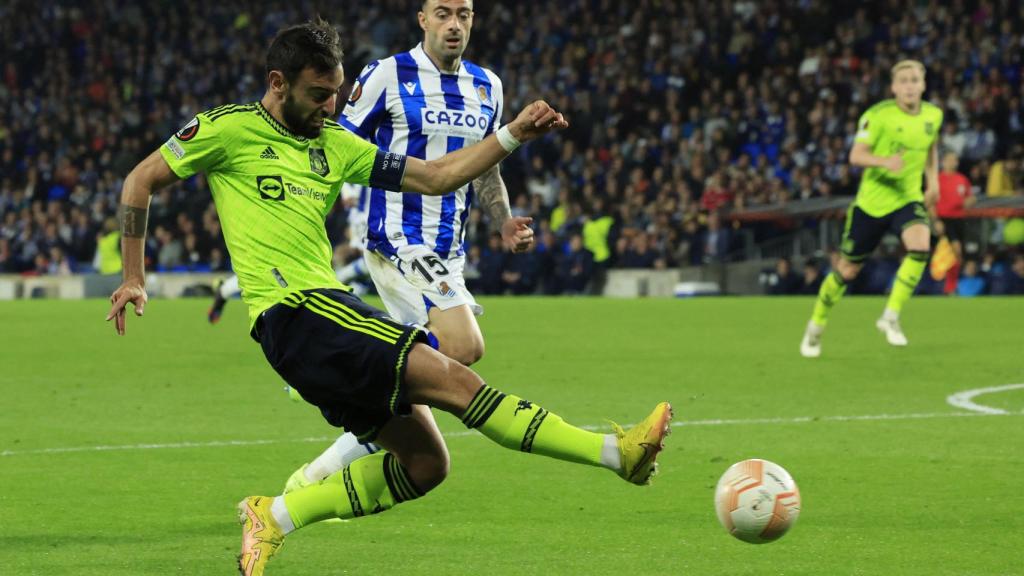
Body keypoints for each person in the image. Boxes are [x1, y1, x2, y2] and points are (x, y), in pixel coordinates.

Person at [103, 18, 672, 576]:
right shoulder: (227, 129)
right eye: (318, 95)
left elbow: (436, 176)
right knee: (458, 381)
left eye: (336, 94)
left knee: (426, 465)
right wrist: (135, 275)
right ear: (277, 83)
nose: (330, 107)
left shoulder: (336, 144)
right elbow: (140, 180)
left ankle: (274, 514)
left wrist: (512, 135)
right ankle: (613, 454)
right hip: (301, 313)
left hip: (312, 330)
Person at [280, 0, 538, 495]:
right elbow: (334, 143)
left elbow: (486, 163)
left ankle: (314, 474)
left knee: (411, 385)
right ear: (422, 20)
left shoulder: (488, 85)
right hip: (397, 237)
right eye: (443, 13)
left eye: (463, 14)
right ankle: (346, 364)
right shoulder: (386, 74)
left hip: (448, 247)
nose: (454, 24)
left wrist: (502, 221)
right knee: (462, 346)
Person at [800, 60, 942, 357]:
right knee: (847, 271)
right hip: (871, 205)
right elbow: (856, 155)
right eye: (903, 80)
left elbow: (930, 147)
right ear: (893, 87)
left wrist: (933, 182)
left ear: (923, 84)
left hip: (907, 198)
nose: (909, 86)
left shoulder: (933, 115)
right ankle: (816, 325)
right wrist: (884, 161)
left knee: (920, 246)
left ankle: (890, 316)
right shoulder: (877, 116)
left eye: (914, 80)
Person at [934, 151, 974, 291]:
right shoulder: (937, 179)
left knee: (957, 254)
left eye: (955, 160)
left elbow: (970, 197)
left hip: (959, 219)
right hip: (944, 219)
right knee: (952, 251)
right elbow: (930, 202)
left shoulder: (962, 179)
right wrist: (935, 220)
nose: (953, 163)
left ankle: (951, 285)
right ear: (943, 162)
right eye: (949, 160)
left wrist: (969, 201)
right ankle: (946, 285)